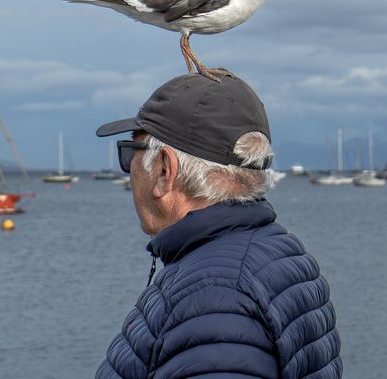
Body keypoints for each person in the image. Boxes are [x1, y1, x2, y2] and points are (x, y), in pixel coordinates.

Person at [94, 73, 342, 379]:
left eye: (130, 153)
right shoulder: (277, 250)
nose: (128, 170)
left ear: (164, 170)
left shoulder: (214, 295)